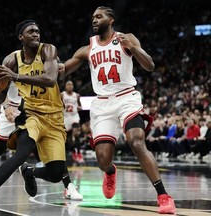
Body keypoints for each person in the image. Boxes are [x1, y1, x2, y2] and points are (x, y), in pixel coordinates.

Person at [59, 6, 176, 214]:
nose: (94, 20)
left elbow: (149, 65)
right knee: (103, 159)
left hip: (126, 98)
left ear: (111, 19)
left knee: (136, 141)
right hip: (102, 104)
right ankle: (110, 171)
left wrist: (134, 48)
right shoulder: (88, 48)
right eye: (92, 17)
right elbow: (63, 70)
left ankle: (163, 196)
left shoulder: (126, 38)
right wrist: (47, 67)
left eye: (99, 16)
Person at [0, 20, 82, 215]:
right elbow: (1, 94)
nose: (35, 34)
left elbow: (49, 79)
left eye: (37, 31)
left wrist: (16, 77)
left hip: (55, 118)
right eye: (30, 31)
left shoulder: (48, 50)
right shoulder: (11, 60)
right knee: (21, 154)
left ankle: (30, 172)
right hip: (31, 114)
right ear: (20, 37)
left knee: (56, 173)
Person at [0, 80, 82, 200]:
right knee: (0, 148)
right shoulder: (12, 62)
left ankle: (68, 185)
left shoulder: (43, 64)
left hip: (32, 111)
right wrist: (5, 105)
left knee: (51, 155)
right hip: (11, 108)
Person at [60, 80, 82, 162]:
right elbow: (58, 104)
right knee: (68, 139)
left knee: (76, 132)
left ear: (73, 86)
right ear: (65, 86)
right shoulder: (62, 94)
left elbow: (80, 105)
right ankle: (73, 152)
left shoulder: (77, 95)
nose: (69, 86)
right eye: (68, 85)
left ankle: (79, 153)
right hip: (66, 117)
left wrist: (80, 107)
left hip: (74, 116)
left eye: (71, 85)